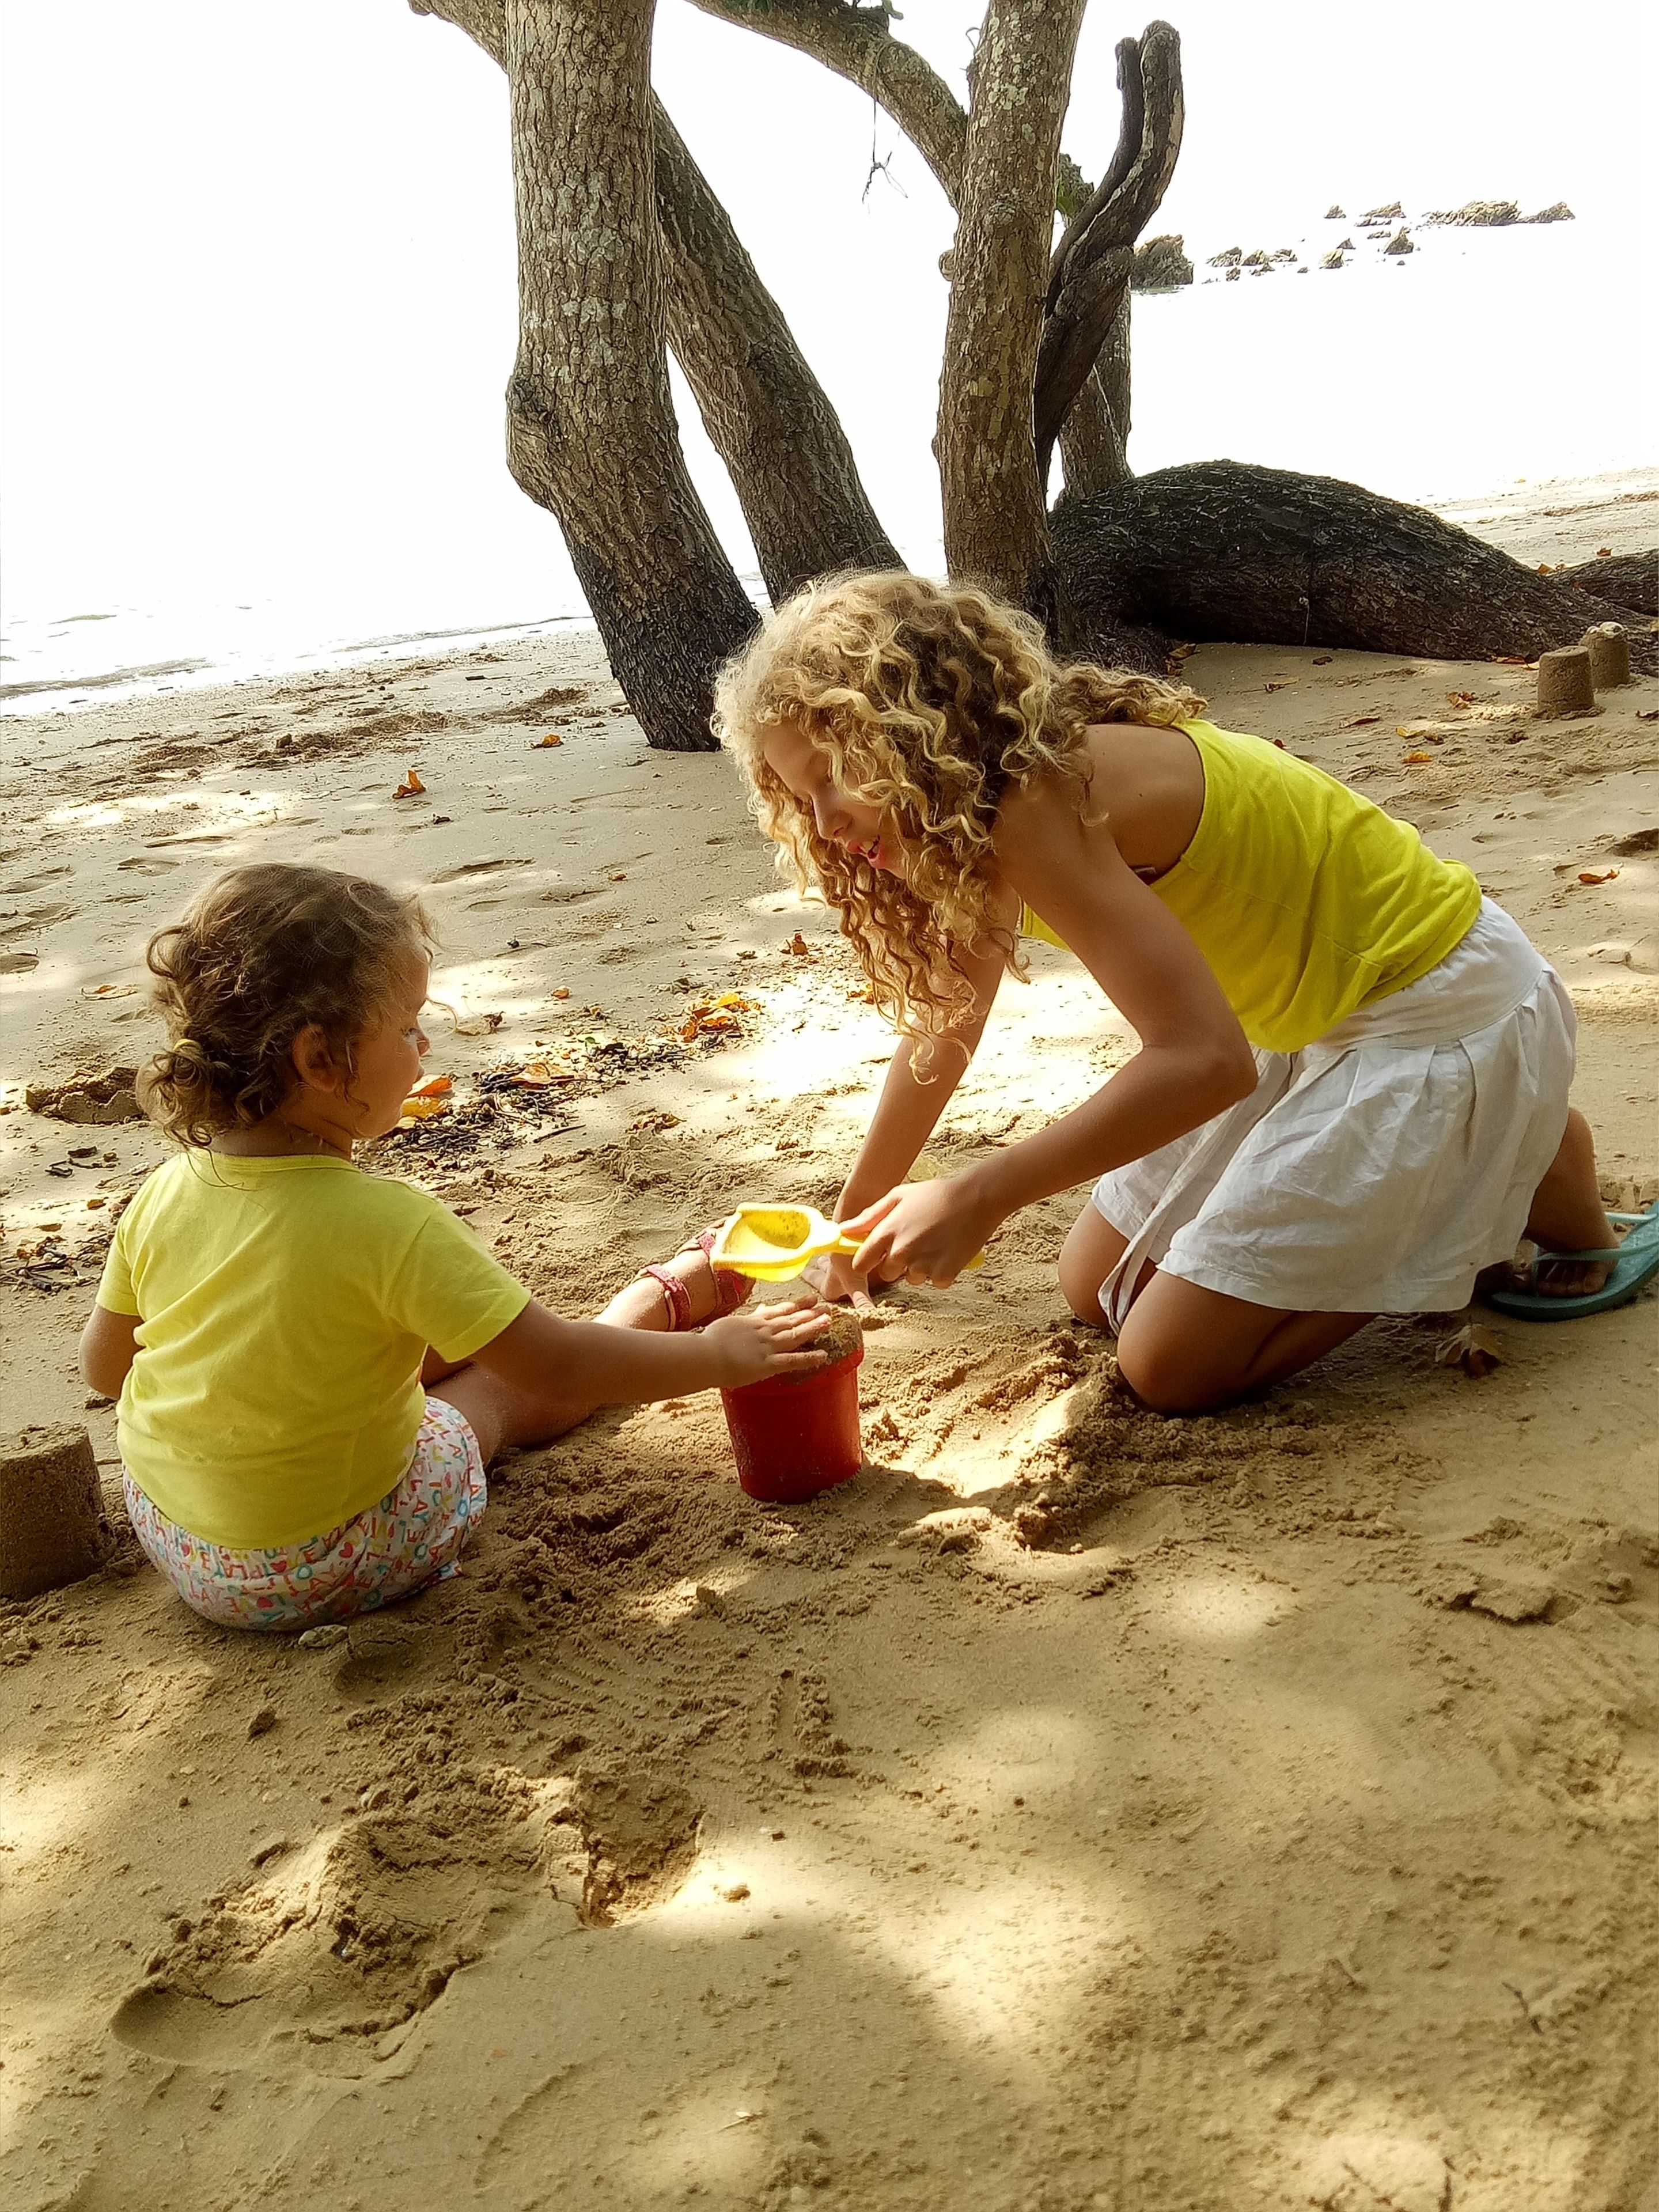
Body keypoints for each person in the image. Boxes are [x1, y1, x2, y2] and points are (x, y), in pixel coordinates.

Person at [716, 571, 1656, 1414]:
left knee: (1169, 1365)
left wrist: (982, 1192)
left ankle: (1482, 1180)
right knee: (1096, 1287)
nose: (827, 823)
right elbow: (948, 1022)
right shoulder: (966, 822)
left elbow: (1205, 1062)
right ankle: (1524, 1154)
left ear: (916, 732)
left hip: (1440, 1011)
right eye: (802, 801)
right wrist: (851, 1221)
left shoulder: (1039, 805)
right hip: (1315, 1025)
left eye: (834, 778)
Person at [78, 863, 823, 1631]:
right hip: (328, 1560)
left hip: (178, 1537)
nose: (424, 1045)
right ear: (321, 1061)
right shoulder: (388, 1221)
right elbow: (562, 1367)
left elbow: (106, 1367)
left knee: (370, 1339)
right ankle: (660, 1300)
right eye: (406, 1027)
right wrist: (721, 1359)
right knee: (496, 1388)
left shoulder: (164, 1193)